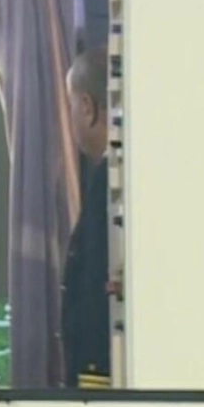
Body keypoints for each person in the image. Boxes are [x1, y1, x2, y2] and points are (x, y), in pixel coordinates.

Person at [63, 46, 113, 388]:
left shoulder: (108, 185)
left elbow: (94, 285)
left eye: (72, 107)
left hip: (100, 380)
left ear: (86, 107)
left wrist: (91, 383)